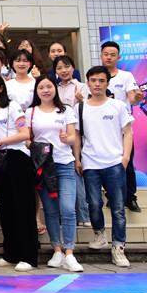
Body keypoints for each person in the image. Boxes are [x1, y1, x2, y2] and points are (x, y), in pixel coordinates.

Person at [77, 66, 135, 267]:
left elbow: (128, 132)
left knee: (118, 208)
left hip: (114, 162)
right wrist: (77, 159)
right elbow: (77, 136)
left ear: (108, 83)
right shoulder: (80, 108)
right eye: (93, 80)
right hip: (90, 162)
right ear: (88, 83)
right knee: (94, 204)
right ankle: (99, 234)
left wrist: (125, 158)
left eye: (101, 81)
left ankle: (118, 246)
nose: (97, 84)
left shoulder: (117, 106)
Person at [26, 75, 83, 272]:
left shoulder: (66, 110)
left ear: (55, 89)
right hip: (43, 166)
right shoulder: (31, 112)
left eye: (49, 86)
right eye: (41, 87)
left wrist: (66, 138)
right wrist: (36, 146)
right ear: (36, 91)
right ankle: (57, 250)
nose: (45, 90)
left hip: (64, 164)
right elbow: (27, 139)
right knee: (50, 211)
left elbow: (73, 137)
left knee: (67, 209)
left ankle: (70, 253)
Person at [0, 74, 38, 271]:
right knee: (6, 209)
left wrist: (0, 142)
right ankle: (11, 253)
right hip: (0, 163)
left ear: (1, 88)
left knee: (24, 208)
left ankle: (28, 256)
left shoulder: (12, 107)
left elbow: (24, 134)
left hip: (18, 158)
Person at [101, 41, 144, 212]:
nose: (109, 57)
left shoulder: (126, 76)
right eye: (106, 54)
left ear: (118, 57)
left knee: (128, 163)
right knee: (106, 164)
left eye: (112, 55)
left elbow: (132, 98)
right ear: (101, 56)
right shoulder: (97, 76)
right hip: (103, 129)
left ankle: (130, 198)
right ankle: (112, 195)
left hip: (123, 129)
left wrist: (137, 98)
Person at [53, 55, 92, 228]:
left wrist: (80, 101)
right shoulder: (54, 89)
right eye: (59, 68)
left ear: (73, 68)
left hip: (76, 134)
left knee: (77, 175)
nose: (63, 70)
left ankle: (83, 215)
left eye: (67, 66)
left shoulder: (81, 87)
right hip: (58, 135)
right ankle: (63, 216)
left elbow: (87, 109)